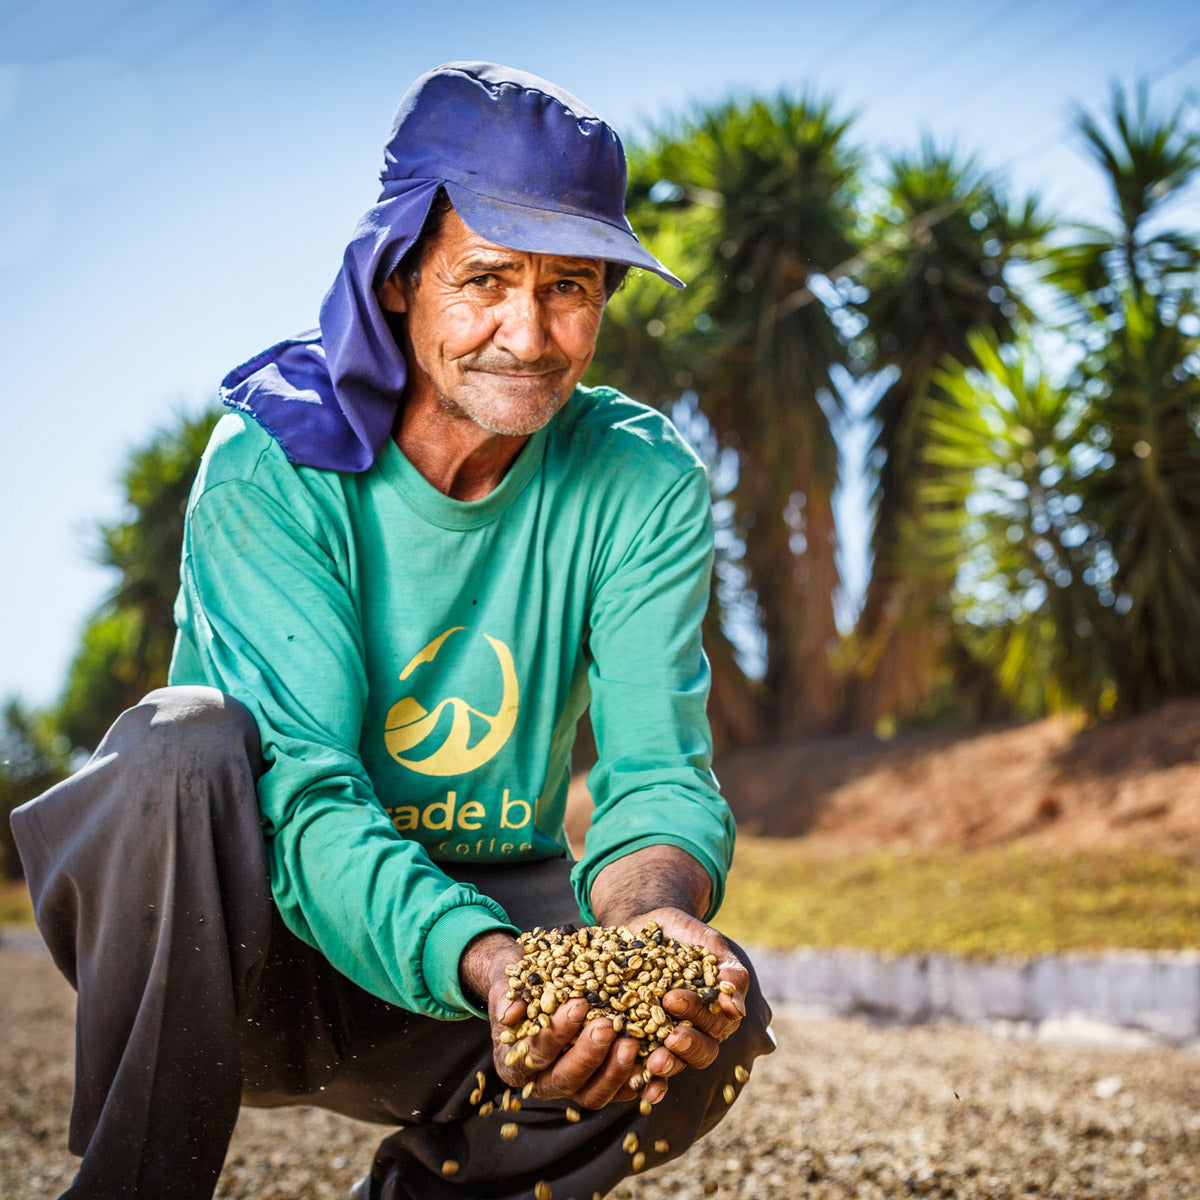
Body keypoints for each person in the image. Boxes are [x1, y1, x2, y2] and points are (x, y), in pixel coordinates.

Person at [12, 61, 774, 1200]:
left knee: (702, 1005)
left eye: (572, 286)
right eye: (486, 280)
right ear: (401, 275)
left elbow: (656, 771)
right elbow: (307, 792)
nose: (530, 331)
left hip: (477, 966)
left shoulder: (639, 478)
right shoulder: (277, 459)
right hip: (241, 959)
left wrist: (652, 924)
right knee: (179, 741)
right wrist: (490, 961)